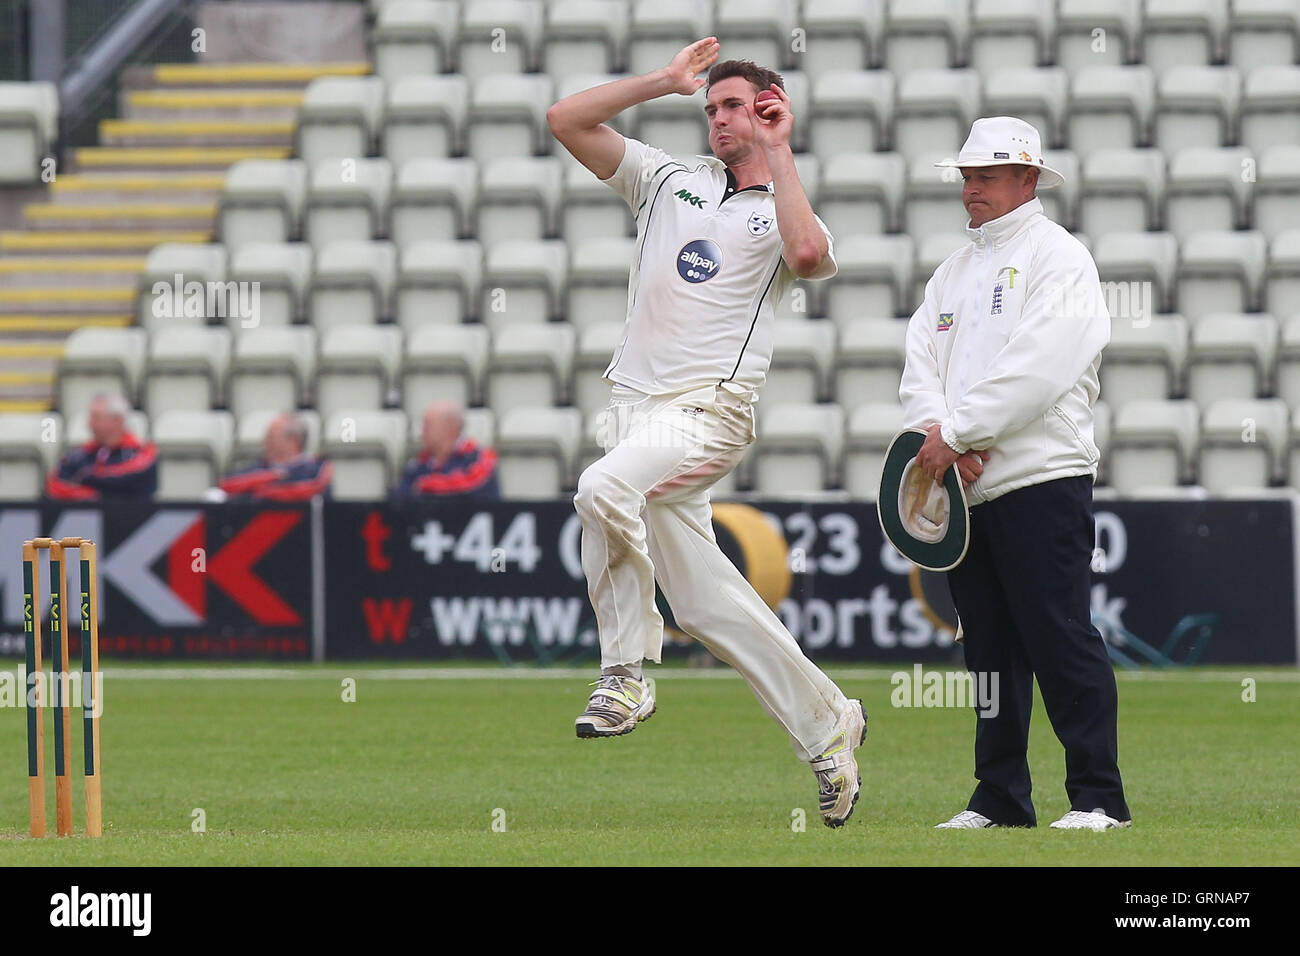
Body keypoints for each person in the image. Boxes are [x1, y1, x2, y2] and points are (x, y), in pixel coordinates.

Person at [547, 39, 867, 828]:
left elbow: (807, 252)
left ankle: (624, 672)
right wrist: (662, 81)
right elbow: (564, 118)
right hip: (635, 409)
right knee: (706, 603)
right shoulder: (667, 180)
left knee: (601, 486)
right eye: (713, 108)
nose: (720, 119)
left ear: (769, 107)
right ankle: (830, 729)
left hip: (709, 411)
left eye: (736, 107)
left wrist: (779, 147)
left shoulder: (785, 203)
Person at [900, 116, 1131, 831]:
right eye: (968, 175)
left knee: (1059, 635)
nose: (973, 187)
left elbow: (1044, 365)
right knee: (991, 650)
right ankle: (1000, 797)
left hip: (1042, 478)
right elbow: (919, 366)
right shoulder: (952, 271)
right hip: (970, 490)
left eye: (988, 175)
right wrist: (942, 439)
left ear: (1028, 179)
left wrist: (958, 434)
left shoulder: (1060, 258)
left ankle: (1099, 798)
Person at [46, 393, 157, 500]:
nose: (89, 424)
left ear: (117, 420)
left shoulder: (142, 453)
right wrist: (91, 495)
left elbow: (125, 482)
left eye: (96, 418)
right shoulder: (80, 454)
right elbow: (54, 486)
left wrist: (86, 478)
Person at [392, 401, 500, 501]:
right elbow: (401, 497)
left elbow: (473, 488)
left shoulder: (478, 460)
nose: (422, 432)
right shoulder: (417, 466)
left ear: (450, 427)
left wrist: (427, 486)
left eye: (428, 425)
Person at [219, 412, 332, 501]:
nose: (265, 442)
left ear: (293, 440)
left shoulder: (315, 472)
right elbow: (227, 485)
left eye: (271, 437)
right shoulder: (256, 469)